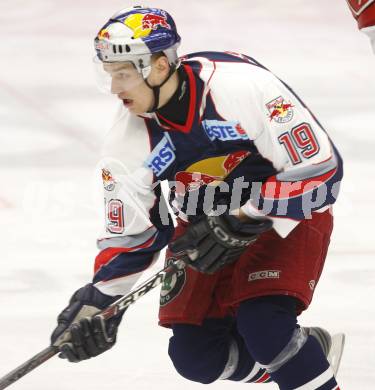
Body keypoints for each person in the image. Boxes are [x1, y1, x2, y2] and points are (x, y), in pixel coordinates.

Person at [51, 6, 345, 390]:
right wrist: (99, 303)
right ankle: (304, 357)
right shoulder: (126, 143)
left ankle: (297, 363)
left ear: (158, 67)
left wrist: (246, 214)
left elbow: (323, 172)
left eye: (123, 74)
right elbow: (133, 236)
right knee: (197, 357)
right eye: (108, 74)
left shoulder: (241, 87)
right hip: (205, 228)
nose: (115, 88)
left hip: (284, 211)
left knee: (265, 327)